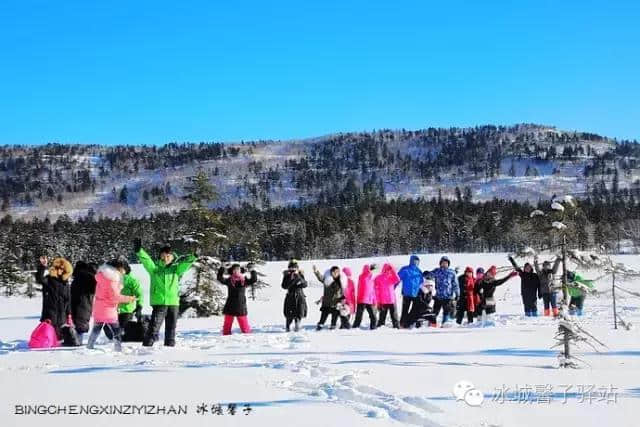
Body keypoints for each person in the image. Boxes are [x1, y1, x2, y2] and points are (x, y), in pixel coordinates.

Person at [134, 239, 197, 347]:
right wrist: (139, 251)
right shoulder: (155, 269)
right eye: (164, 255)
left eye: (169, 256)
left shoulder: (176, 269)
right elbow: (147, 260)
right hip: (159, 302)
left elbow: (186, 264)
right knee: (154, 327)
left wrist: (194, 256)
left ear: (172, 257)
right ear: (160, 256)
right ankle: (146, 348)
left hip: (173, 303)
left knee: (171, 328)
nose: (166, 258)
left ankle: (169, 348)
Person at [87, 262, 136, 351]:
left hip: (99, 308)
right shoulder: (112, 280)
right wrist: (129, 298)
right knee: (116, 330)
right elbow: (114, 297)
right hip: (108, 309)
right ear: (116, 269)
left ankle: (89, 345)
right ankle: (118, 348)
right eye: (122, 269)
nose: (124, 271)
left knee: (96, 328)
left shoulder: (102, 277)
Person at [35, 256, 73, 339]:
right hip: (49, 316)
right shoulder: (49, 279)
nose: (60, 270)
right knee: (47, 340)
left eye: (63, 269)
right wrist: (42, 266)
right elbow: (39, 279)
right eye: (58, 268)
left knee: (59, 341)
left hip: (62, 317)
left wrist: (69, 314)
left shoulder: (66, 284)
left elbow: (68, 300)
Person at [218, 263, 258, 335]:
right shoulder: (229, 280)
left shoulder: (244, 281)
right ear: (232, 271)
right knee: (227, 324)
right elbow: (220, 278)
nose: (236, 271)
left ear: (240, 271)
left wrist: (252, 270)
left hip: (240, 304)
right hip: (230, 304)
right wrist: (222, 268)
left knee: (244, 326)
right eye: (234, 269)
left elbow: (254, 279)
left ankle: (247, 337)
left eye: (238, 269)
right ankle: (225, 336)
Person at [313, 265, 350, 330]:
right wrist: (316, 271)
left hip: (336, 302)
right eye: (334, 272)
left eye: (337, 272)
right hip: (327, 301)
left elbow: (343, 292)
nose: (335, 273)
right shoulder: (327, 280)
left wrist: (343, 300)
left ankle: (333, 326)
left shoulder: (341, 281)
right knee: (323, 316)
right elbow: (320, 278)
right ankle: (320, 325)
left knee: (334, 316)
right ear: (331, 272)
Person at [70, 261, 97, 344]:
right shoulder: (90, 278)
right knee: (81, 324)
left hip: (74, 304)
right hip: (85, 304)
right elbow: (96, 290)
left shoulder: (76, 278)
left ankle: (77, 341)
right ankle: (78, 342)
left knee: (77, 324)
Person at [428, 256, 459, 326]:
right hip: (438, 296)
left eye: (446, 263)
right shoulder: (437, 271)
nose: (444, 264)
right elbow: (429, 275)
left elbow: (455, 284)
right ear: (440, 264)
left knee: (446, 311)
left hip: (447, 296)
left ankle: (445, 324)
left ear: (448, 264)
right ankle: (432, 324)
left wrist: (457, 294)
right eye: (443, 263)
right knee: (435, 311)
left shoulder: (452, 273)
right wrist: (426, 273)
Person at [115, 257, 144, 327]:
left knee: (123, 330)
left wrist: (139, 306)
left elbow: (139, 294)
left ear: (126, 269)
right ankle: (117, 338)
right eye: (117, 269)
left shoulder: (132, 281)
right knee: (109, 329)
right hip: (114, 310)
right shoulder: (113, 279)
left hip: (127, 311)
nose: (118, 271)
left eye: (120, 269)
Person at [281, 260, 308, 332]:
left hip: (299, 295)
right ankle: (288, 326)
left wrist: (298, 276)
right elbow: (284, 286)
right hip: (290, 296)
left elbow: (304, 284)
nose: (293, 269)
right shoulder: (286, 275)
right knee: (289, 313)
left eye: (294, 268)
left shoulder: (300, 274)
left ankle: (297, 324)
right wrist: (292, 279)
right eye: (291, 268)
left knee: (299, 312)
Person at [397, 255, 423, 328]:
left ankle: (411, 322)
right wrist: (392, 288)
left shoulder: (419, 271)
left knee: (416, 309)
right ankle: (402, 324)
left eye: (417, 261)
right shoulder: (405, 269)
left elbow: (421, 282)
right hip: (406, 293)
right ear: (411, 261)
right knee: (405, 310)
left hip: (416, 294)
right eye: (414, 260)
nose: (415, 262)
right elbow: (397, 279)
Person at [374, 263, 401, 329]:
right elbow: (398, 279)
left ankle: (380, 326)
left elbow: (376, 290)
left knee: (383, 317)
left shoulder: (378, 277)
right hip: (390, 300)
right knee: (394, 316)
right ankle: (396, 327)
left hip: (384, 300)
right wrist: (393, 271)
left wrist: (378, 301)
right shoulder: (391, 277)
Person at [352, 264, 378, 329]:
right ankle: (355, 327)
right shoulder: (362, 277)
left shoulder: (371, 279)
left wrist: (374, 300)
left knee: (373, 316)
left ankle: (373, 328)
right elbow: (366, 273)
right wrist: (370, 269)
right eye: (369, 270)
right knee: (359, 316)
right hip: (362, 300)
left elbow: (373, 290)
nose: (370, 271)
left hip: (369, 300)